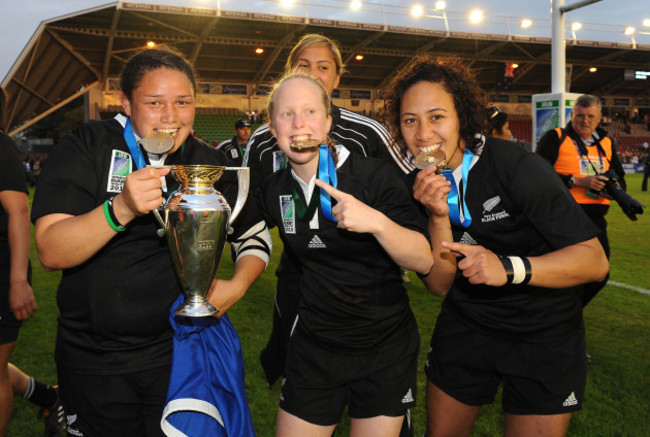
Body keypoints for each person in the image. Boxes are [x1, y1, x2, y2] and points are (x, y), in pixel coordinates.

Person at [30, 46, 271, 437]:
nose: (171, 117)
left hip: (179, 353)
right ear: (125, 102)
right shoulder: (87, 145)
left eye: (183, 102)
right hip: (94, 357)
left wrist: (237, 286)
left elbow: (254, 235)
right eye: (155, 103)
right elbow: (50, 250)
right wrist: (120, 209)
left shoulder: (204, 162)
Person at [383, 55, 609, 437]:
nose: (422, 134)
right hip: (468, 326)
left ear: (462, 117)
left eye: (436, 116)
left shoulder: (516, 166)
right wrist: (438, 216)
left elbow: (594, 261)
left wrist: (509, 267)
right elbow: (438, 285)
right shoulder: (415, 185)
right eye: (410, 120)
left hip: (546, 331)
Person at [257, 71, 432, 437]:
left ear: (327, 122)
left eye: (309, 112)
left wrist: (378, 223)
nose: (299, 123)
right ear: (273, 128)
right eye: (286, 114)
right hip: (315, 348)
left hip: (384, 348)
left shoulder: (374, 176)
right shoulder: (273, 188)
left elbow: (424, 260)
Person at [244, 32, 412, 385]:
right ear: (289, 70)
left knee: (376, 383)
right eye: (303, 65)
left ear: (337, 77)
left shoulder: (369, 132)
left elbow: (404, 190)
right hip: (300, 271)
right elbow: (252, 211)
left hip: (366, 273)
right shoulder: (264, 139)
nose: (314, 72)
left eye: (324, 67)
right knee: (301, 365)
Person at [537, 94, 626, 308]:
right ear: (572, 114)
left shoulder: (606, 143)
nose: (585, 121)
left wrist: (612, 190)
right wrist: (576, 181)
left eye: (590, 116)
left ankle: (568, 311)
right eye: (580, 115)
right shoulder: (555, 137)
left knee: (600, 273)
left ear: (600, 118)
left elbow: (621, 180)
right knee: (565, 273)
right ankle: (561, 314)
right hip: (563, 217)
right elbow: (537, 175)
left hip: (595, 220)